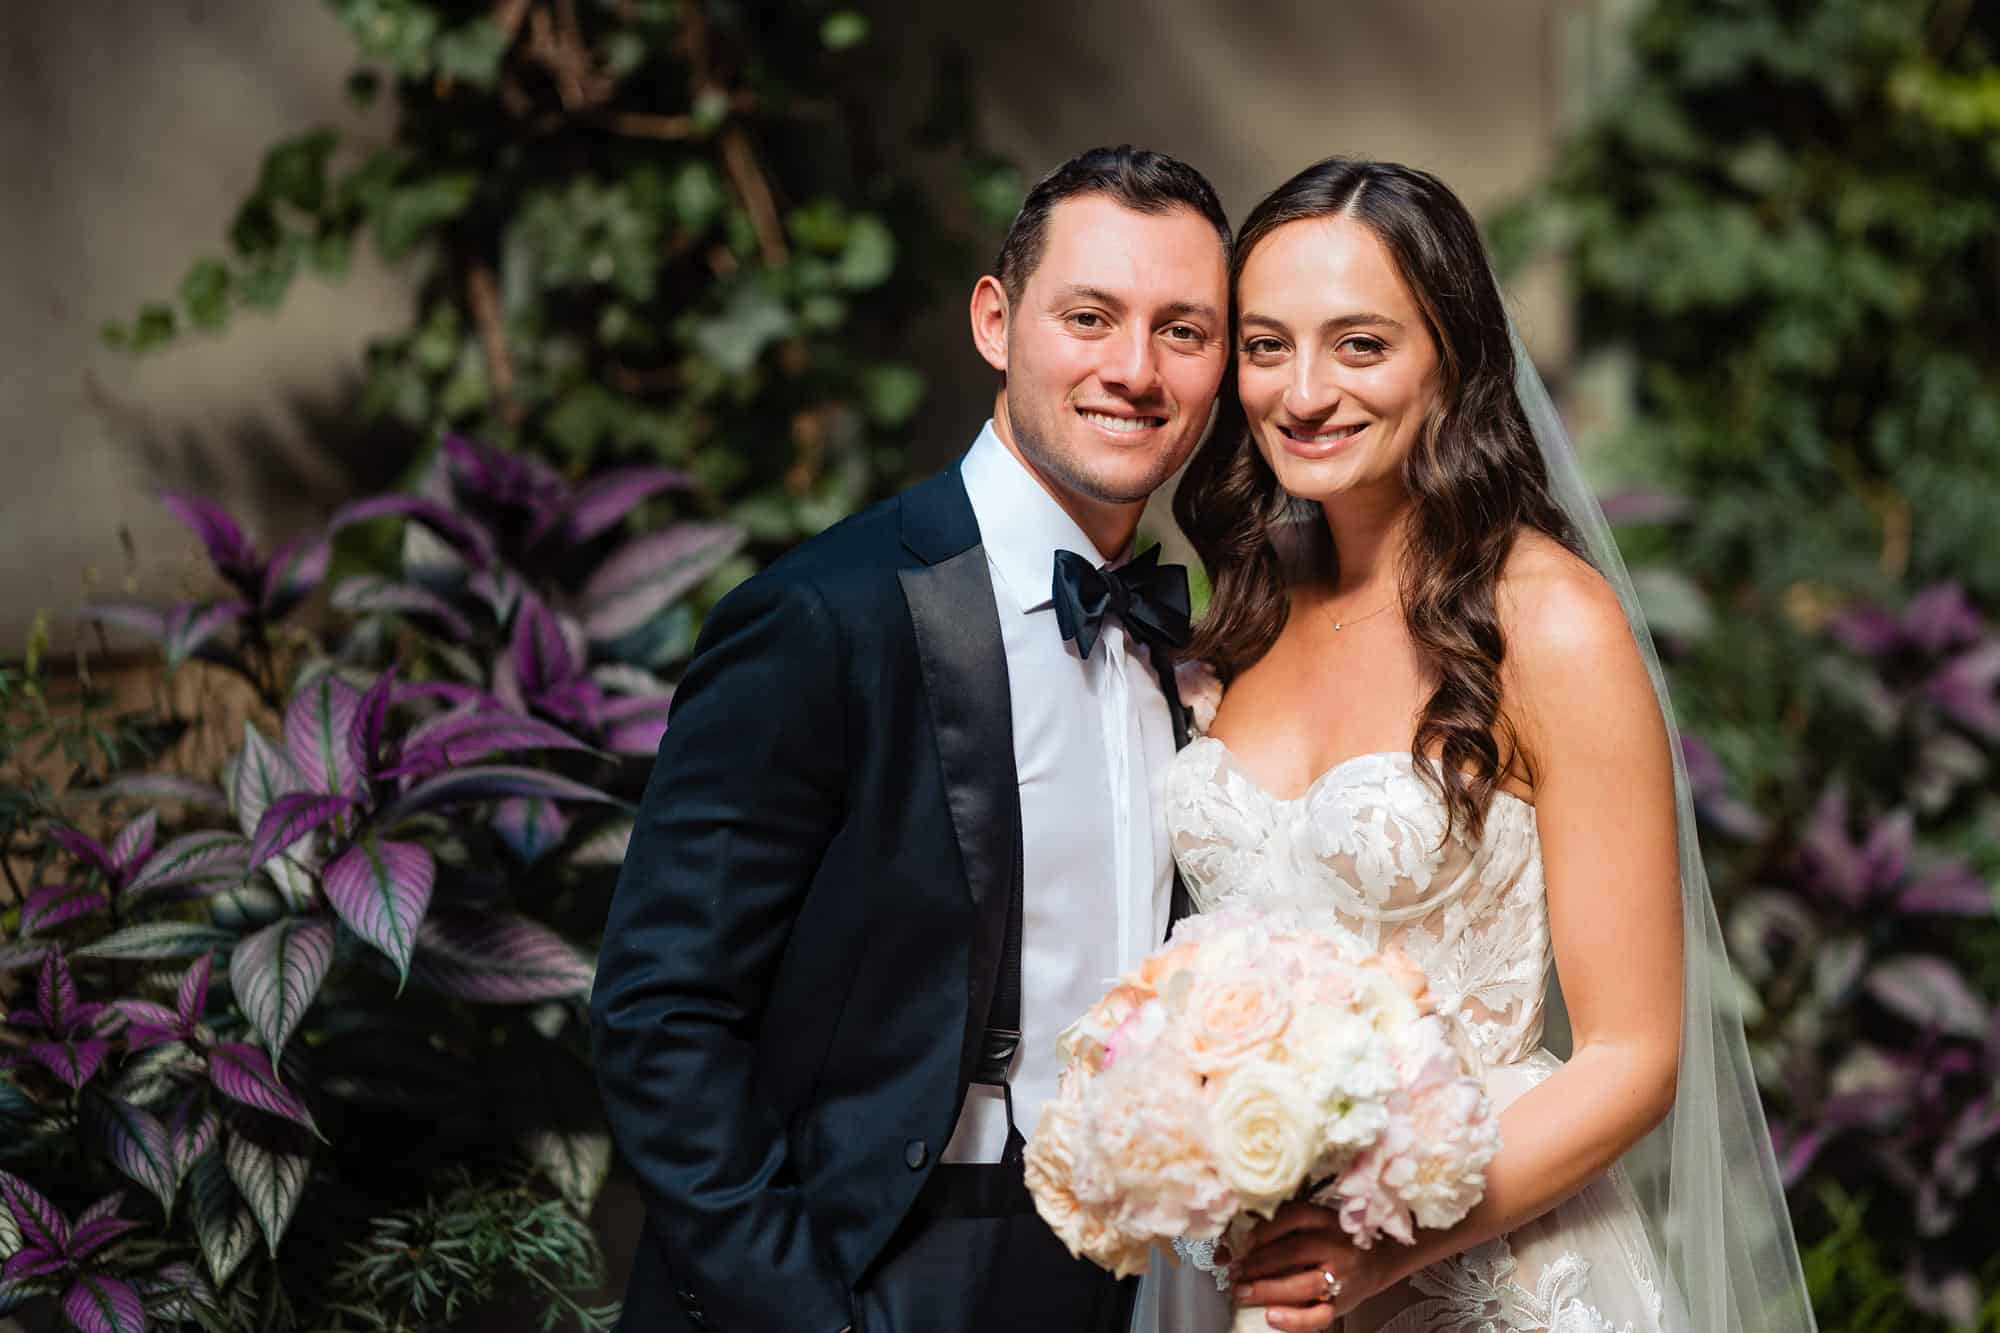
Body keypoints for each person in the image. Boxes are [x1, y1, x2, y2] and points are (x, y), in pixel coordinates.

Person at [1139, 158, 1816, 1331]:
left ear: (1448, 354)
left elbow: (1629, 1055)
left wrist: (1374, 1250)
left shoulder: (1547, 622)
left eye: (1359, 345)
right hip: (1258, 1282)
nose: (1301, 392)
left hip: (1490, 1270)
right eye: (1264, 347)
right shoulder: (1238, 609)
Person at [590, 145, 1231, 1333]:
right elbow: (659, 1011)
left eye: (1181, 331)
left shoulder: (1183, 640)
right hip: (861, 1264)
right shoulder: (825, 615)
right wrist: (799, 1311)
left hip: (1114, 1275)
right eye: (1088, 316)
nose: (1132, 370)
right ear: (995, 321)